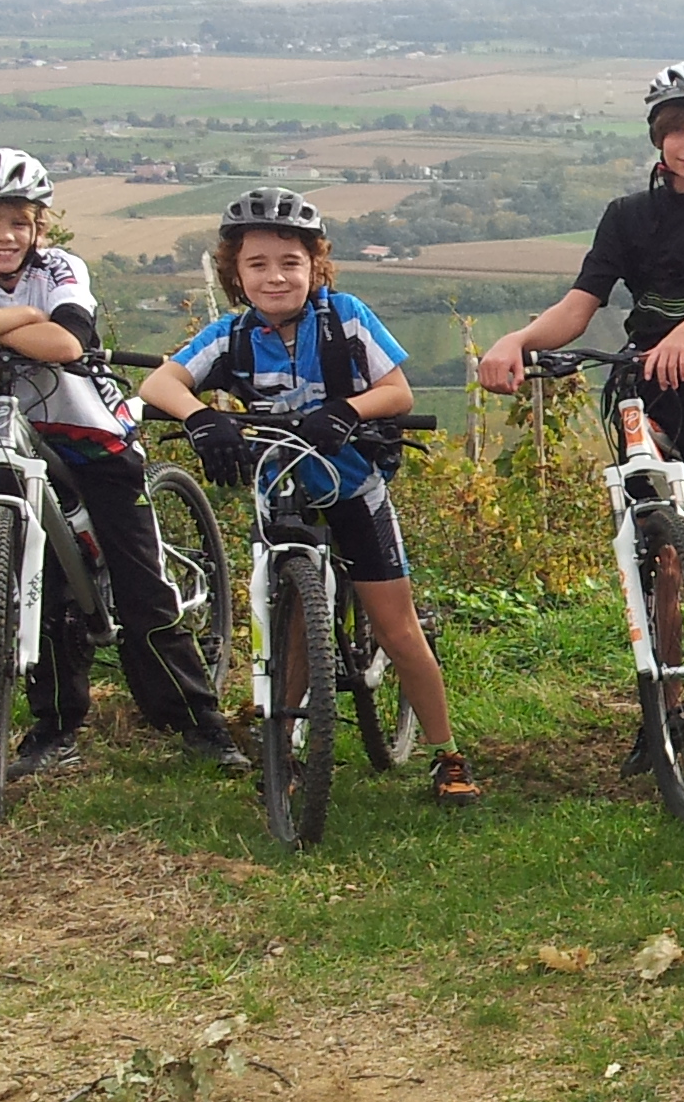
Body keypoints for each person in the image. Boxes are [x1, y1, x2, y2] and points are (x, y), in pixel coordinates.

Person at [475, 61, 684, 764]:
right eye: (675, 130)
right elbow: (578, 306)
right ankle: (667, 715)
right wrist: (518, 339)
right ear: (657, 138)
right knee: (662, 558)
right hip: (640, 392)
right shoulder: (627, 217)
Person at [0, 147, 243, 780]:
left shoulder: (62, 268)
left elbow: (65, 341)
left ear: (39, 226)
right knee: (40, 591)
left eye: (17, 222)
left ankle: (199, 723)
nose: (3, 236)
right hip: (19, 442)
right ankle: (54, 728)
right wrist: (20, 320)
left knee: (144, 589)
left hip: (96, 439)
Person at [141, 189, 480, 804]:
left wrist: (345, 411)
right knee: (288, 623)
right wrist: (198, 418)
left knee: (396, 625)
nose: (276, 276)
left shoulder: (345, 317)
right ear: (235, 273)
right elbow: (160, 381)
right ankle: (288, 745)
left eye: (291, 263)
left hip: (353, 485)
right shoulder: (232, 335)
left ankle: (446, 753)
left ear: (314, 267)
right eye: (258, 264)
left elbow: (397, 392)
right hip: (280, 489)